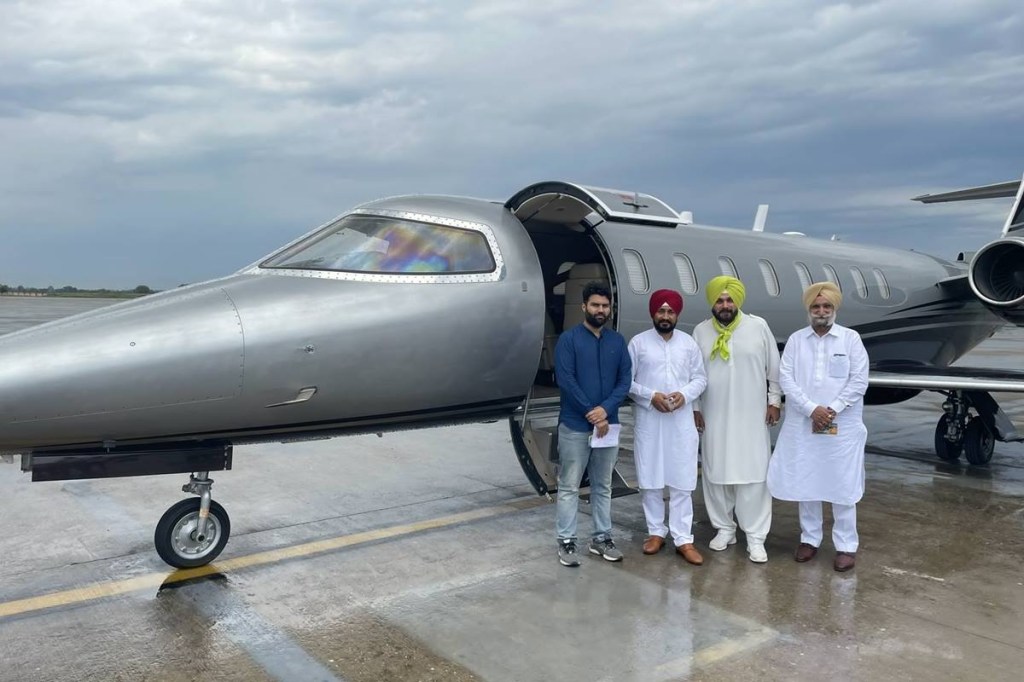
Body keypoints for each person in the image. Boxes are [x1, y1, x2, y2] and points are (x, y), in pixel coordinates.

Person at [767, 282, 869, 572]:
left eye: (826, 306)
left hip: (842, 426)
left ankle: (846, 545)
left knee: (842, 483)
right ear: (809, 309)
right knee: (807, 479)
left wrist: (832, 409)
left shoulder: (850, 339)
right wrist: (812, 409)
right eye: (816, 306)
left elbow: (859, 380)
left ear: (834, 309)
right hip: (804, 422)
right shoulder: (797, 340)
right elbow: (786, 378)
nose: (821, 311)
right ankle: (810, 539)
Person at [692, 276, 781, 563]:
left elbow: (774, 368)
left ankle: (755, 537)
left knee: (754, 474)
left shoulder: (758, 326)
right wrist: (695, 407)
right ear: (712, 303)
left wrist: (774, 401)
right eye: (720, 300)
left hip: (752, 415)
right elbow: (693, 374)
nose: (725, 305)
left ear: (738, 302)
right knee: (715, 472)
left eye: (729, 300)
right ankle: (724, 528)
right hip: (713, 414)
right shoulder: (701, 331)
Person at [554, 281, 633, 567]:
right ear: (584, 306)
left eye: (605, 306)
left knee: (603, 485)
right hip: (575, 426)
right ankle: (566, 542)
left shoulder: (617, 342)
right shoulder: (569, 340)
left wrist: (605, 410)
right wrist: (592, 412)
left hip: (608, 427)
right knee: (569, 486)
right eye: (595, 305)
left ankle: (601, 538)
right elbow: (566, 380)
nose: (600, 310)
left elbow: (624, 380)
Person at [628, 289, 708, 565]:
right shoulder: (638, 343)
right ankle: (655, 532)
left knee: (682, 479)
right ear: (653, 313)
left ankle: (683, 538)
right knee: (650, 477)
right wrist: (651, 396)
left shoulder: (688, 343)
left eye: (670, 311)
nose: (665, 316)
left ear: (677, 314)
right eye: (661, 311)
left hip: (680, 421)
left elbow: (700, 378)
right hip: (650, 419)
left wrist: (684, 395)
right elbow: (626, 381)